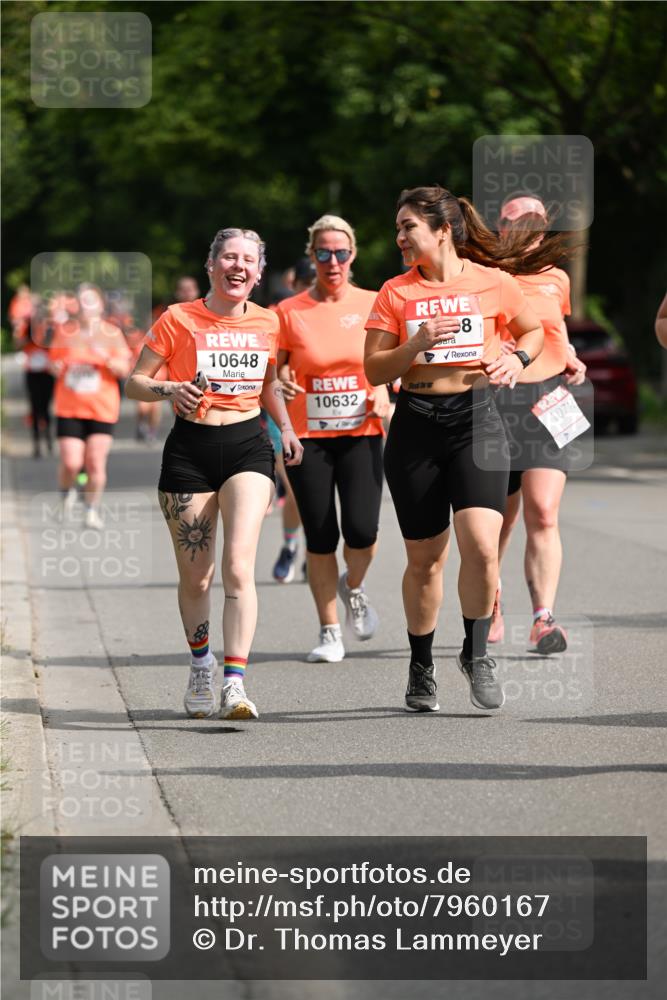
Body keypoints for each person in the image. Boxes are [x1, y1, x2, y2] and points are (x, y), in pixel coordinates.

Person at [364, 185, 545, 713]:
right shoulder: (394, 292)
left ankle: (475, 652)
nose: (399, 237)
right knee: (425, 560)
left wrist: (519, 361)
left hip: (478, 420)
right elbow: (373, 369)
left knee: (483, 546)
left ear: (442, 230)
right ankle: (421, 665)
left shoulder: (494, 282)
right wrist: (416, 343)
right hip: (416, 426)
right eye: (397, 228)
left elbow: (531, 332)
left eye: (407, 227)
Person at [126, 228, 302, 721]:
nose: (238, 266)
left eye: (248, 259)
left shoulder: (268, 322)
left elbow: (269, 384)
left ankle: (235, 683)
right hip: (190, 450)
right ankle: (201, 663)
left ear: (260, 272)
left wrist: (286, 429)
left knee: (239, 567)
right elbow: (135, 383)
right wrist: (170, 390)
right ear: (212, 265)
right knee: (197, 578)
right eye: (229, 256)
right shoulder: (178, 319)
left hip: (248, 446)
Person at [276, 216, 389, 662]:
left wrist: (384, 391)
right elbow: (278, 368)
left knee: (362, 532)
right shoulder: (289, 311)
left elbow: (391, 361)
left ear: (353, 254)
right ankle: (329, 632)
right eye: (322, 253)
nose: (332, 261)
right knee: (320, 537)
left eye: (341, 252)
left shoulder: (376, 302)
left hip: (362, 432)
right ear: (311, 257)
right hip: (309, 437)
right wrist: (282, 381)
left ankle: (353, 586)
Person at [490, 195, 587, 653]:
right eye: (518, 223)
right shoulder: (487, 276)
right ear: (502, 229)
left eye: (537, 223)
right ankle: (489, 600)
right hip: (498, 402)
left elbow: (557, 330)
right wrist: (494, 351)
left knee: (544, 513)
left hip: (549, 399)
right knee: (498, 524)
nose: (529, 231)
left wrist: (570, 358)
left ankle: (543, 619)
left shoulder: (557, 278)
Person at [49, 285, 132, 528]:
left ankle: (91, 510)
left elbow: (123, 369)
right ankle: (66, 494)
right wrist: (56, 367)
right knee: (72, 463)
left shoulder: (112, 333)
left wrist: (105, 358)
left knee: (95, 462)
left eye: (91, 301)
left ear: (100, 306)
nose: (86, 307)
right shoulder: (65, 333)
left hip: (102, 408)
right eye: (82, 302)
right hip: (69, 407)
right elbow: (54, 364)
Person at [269, 257, 315, 583]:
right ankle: (289, 546)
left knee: (322, 494)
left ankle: (316, 552)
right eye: (306, 283)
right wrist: (278, 376)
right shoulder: (278, 316)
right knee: (298, 490)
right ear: (294, 284)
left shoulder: (340, 312)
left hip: (328, 417)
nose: (313, 290)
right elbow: (265, 366)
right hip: (285, 415)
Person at [134, 276, 203, 442]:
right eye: (183, 289)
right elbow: (152, 340)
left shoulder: (209, 312)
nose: (187, 292)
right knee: (179, 411)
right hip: (172, 371)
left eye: (191, 288)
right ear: (177, 293)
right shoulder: (167, 314)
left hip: (200, 370)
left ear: (197, 291)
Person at [9, 285, 55, 458]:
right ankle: (36, 444)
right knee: (34, 408)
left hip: (47, 372)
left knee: (46, 407)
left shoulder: (49, 327)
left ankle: (49, 439)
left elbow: (56, 347)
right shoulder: (26, 327)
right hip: (32, 372)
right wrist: (25, 336)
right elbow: (17, 345)